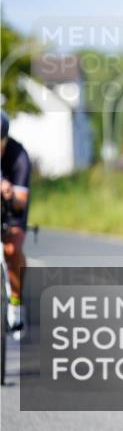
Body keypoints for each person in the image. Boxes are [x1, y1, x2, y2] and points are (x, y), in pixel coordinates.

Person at [1, 110, 31, 335]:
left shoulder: (19, 155)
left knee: (12, 248)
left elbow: (21, 202)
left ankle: (15, 302)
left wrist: (9, 193)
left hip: (11, 207)